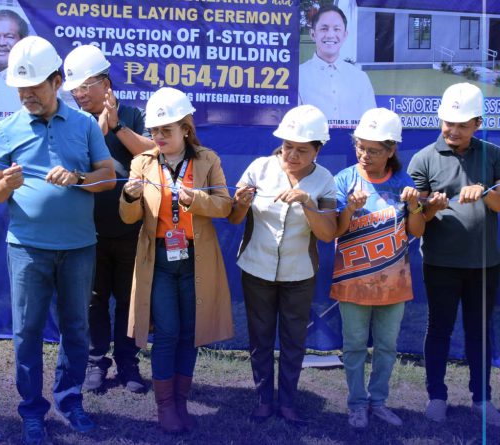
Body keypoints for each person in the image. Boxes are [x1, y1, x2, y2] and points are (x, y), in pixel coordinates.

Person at [0, 36, 114, 445]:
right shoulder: (5, 130)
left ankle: (70, 400)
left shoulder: (85, 125)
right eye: (21, 89)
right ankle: (32, 411)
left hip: (78, 247)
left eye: (35, 87)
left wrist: (77, 178)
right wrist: (3, 184)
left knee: (76, 328)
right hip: (26, 247)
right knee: (26, 332)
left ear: (57, 81)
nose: (27, 95)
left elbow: (108, 177)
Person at [120, 87, 233, 433]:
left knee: (189, 333)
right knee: (167, 332)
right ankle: (165, 407)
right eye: (154, 131)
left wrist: (196, 200)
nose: (158, 137)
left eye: (165, 130)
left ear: (185, 128)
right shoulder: (142, 162)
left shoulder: (207, 159)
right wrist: (128, 195)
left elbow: (225, 206)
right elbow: (129, 218)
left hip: (196, 261)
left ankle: (181, 404)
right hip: (159, 263)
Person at [229, 104, 338, 426]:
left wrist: (307, 203)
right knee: (260, 337)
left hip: (299, 273)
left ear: (318, 149)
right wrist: (241, 203)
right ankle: (264, 399)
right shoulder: (259, 168)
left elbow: (327, 233)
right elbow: (235, 218)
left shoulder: (325, 180)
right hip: (256, 268)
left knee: (293, 340)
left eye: (302, 150)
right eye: (288, 146)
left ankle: (288, 401)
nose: (292, 154)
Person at [331, 108, 432, 428]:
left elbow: (417, 231)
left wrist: (416, 205)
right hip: (352, 281)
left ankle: (379, 401)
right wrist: (349, 207)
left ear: (391, 150)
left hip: (394, 282)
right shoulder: (344, 179)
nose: (364, 154)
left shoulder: (404, 182)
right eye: (359, 146)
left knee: (387, 347)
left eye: (373, 150)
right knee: (355, 346)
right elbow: (335, 229)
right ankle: (357, 404)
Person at [62, 44, 153, 394]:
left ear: (105, 84)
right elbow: (73, 163)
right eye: (74, 89)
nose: (78, 94)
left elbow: (153, 153)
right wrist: (97, 130)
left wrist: (116, 127)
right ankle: (96, 362)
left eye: (85, 86)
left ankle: (129, 363)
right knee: (93, 299)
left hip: (131, 230)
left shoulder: (132, 114)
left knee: (130, 300)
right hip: (87, 231)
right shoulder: (73, 121)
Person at [407, 82, 500, 426]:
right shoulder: (423, 159)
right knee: (439, 330)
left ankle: (483, 398)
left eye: (462, 124)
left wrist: (486, 193)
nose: (453, 130)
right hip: (440, 264)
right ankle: (436, 396)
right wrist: (426, 207)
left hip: (485, 264)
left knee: (480, 332)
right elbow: (416, 223)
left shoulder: (493, 154)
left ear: (478, 122)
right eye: (448, 122)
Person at [298, 4, 376, 126]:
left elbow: (371, 125)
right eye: (324, 28)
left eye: (337, 29)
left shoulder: (360, 78)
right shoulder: (299, 77)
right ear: (313, 34)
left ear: (345, 35)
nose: (330, 35)